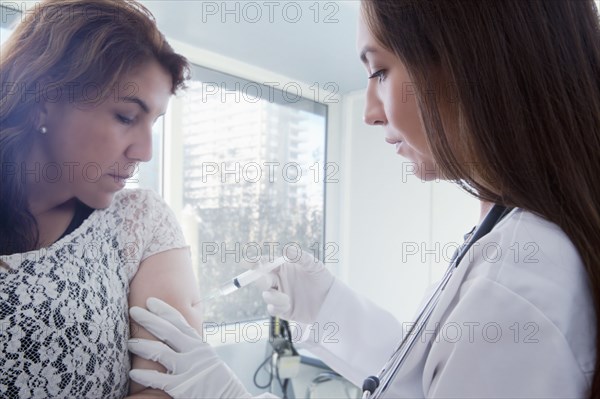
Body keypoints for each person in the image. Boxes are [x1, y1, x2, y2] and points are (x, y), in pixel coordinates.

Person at [128, 0, 600, 398]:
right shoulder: (514, 236)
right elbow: (426, 379)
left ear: (471, 61)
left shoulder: (521, 280)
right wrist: (326, 307)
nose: (370, 115)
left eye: (380, 71)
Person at [0, 1, 211, 397]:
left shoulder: (139, 223)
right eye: (127, 117)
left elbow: (165, 389)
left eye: (154, 122)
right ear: (45, 98)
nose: (145, 151)